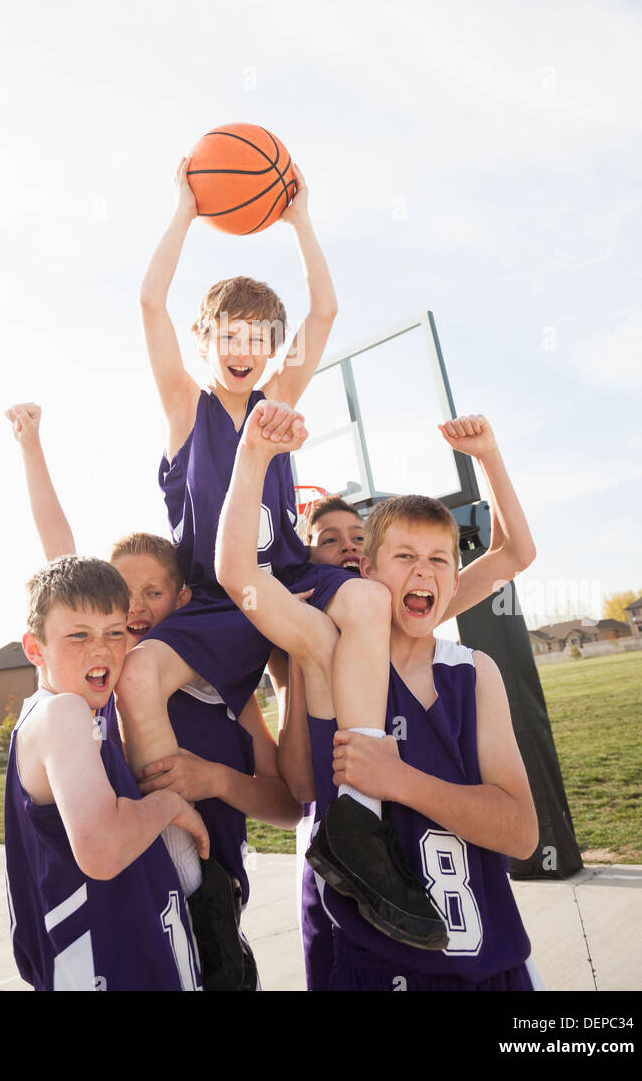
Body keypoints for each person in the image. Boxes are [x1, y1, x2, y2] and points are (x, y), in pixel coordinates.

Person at [118, 157, 441, 947]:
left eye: (259, 341)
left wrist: (298, 220)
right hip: (219, 600)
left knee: (364, 600)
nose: (246, 349)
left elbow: (325, 310)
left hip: (286, 578)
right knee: (141, 677)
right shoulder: (187, 407)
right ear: (206, 340)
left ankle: (356, 828)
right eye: (229, 336)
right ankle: (197, 883)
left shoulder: (279, 402)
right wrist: (185, 213)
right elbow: (149, 302)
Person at [215, 400, 541, 990]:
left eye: (440, 560)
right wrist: (256, 455)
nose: (426, 572)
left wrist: (488, 456)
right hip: (383, 967)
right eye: (406, 558)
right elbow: (238, 573)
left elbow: (521, 834)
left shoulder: (472, 672)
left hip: (493, 957)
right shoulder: (328, 650)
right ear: (366, 568)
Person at [5, 402, 302, 988]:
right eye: (122, 597)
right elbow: (60, 562)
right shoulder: (93, 695)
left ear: (184, 600)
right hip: (128, 931)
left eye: (152, 593)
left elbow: (290, 808)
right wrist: (32, 449)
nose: (135, 608)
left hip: (207, 916)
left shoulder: (224, 693)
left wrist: (212, 781)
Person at [3, 553, 204, 991]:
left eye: (115, 633)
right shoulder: (62, 712)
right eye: (78, 635)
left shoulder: (81, 713)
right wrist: (169, 804)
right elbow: (103, 851)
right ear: (36, 649)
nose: (100, 649)